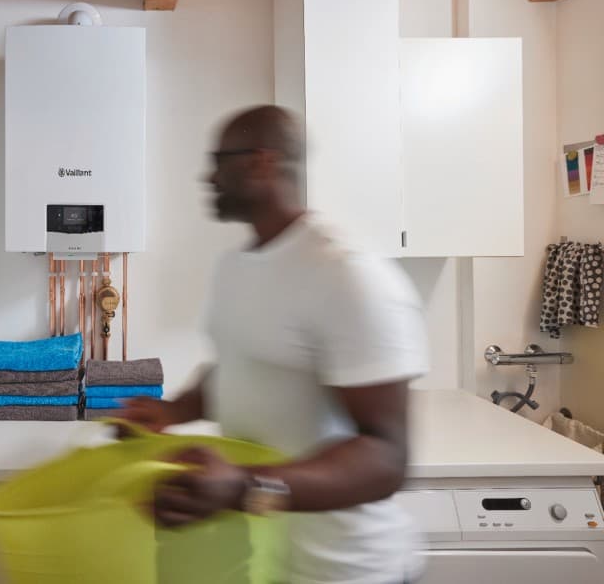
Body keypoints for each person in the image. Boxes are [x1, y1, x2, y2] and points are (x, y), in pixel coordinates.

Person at [120, 105, 429, 583]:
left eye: (219, 160)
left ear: (262, 163)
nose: (208, 176)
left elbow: (386, 459)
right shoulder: (237, 267)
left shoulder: (347, 276)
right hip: (267, 563)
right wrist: (174, 411)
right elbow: (241, 364)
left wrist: (243, 488)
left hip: (350, 570)